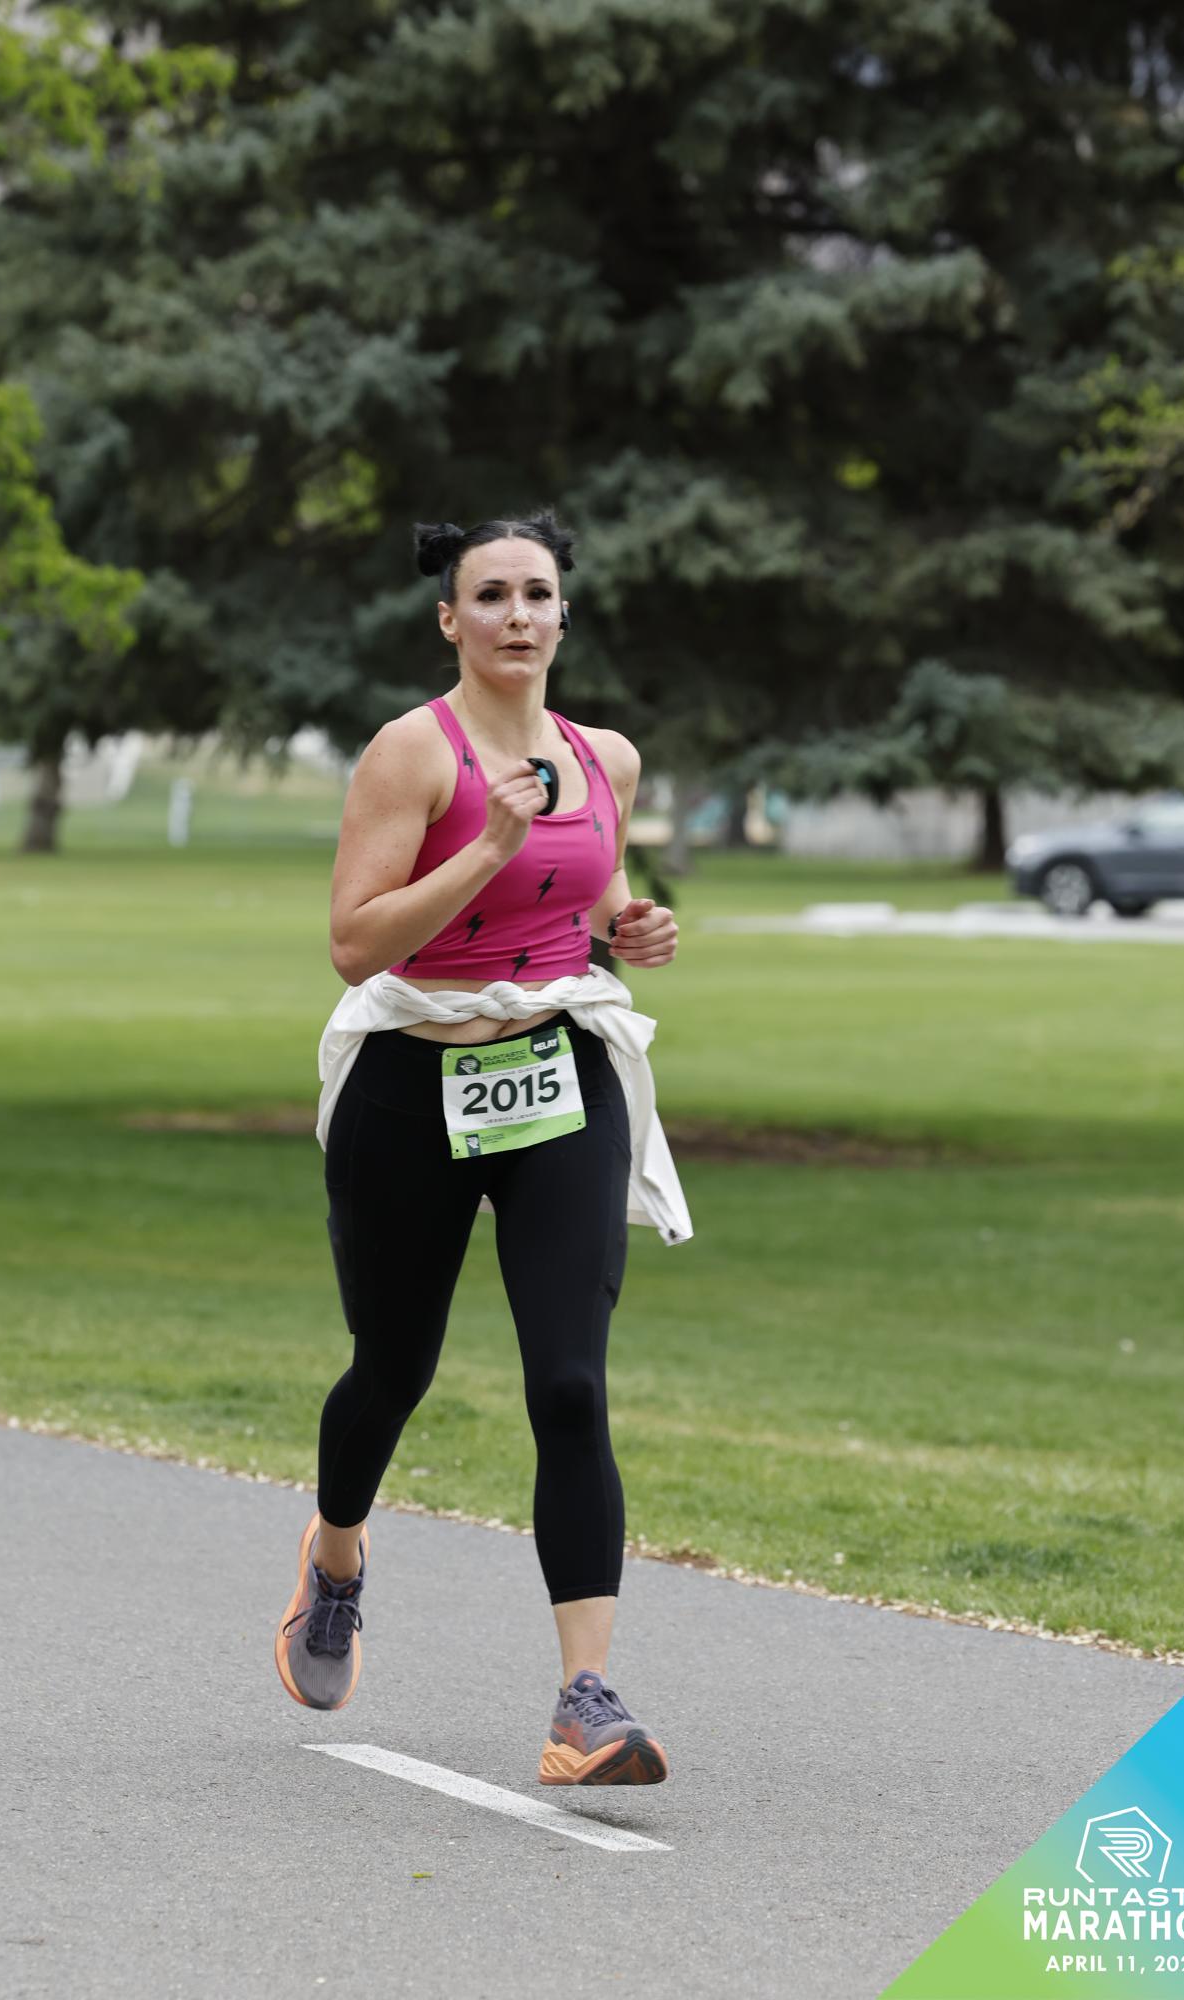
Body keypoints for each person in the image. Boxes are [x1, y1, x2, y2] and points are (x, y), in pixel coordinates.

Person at [274, 507, 691, 1787]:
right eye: (493, 594)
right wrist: (491, 844)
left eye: (538, 593)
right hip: (413, 1081)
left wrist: (632, 926)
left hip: (557, 1073)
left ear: (565, 614)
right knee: (391, 1365)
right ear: (449, 618)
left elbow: (591, 899)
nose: (519, 614)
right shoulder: (413, 752)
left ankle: (584, 1700)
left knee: (569, 1382)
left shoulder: (604, 757)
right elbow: (356, 943)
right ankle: (335, 1553)